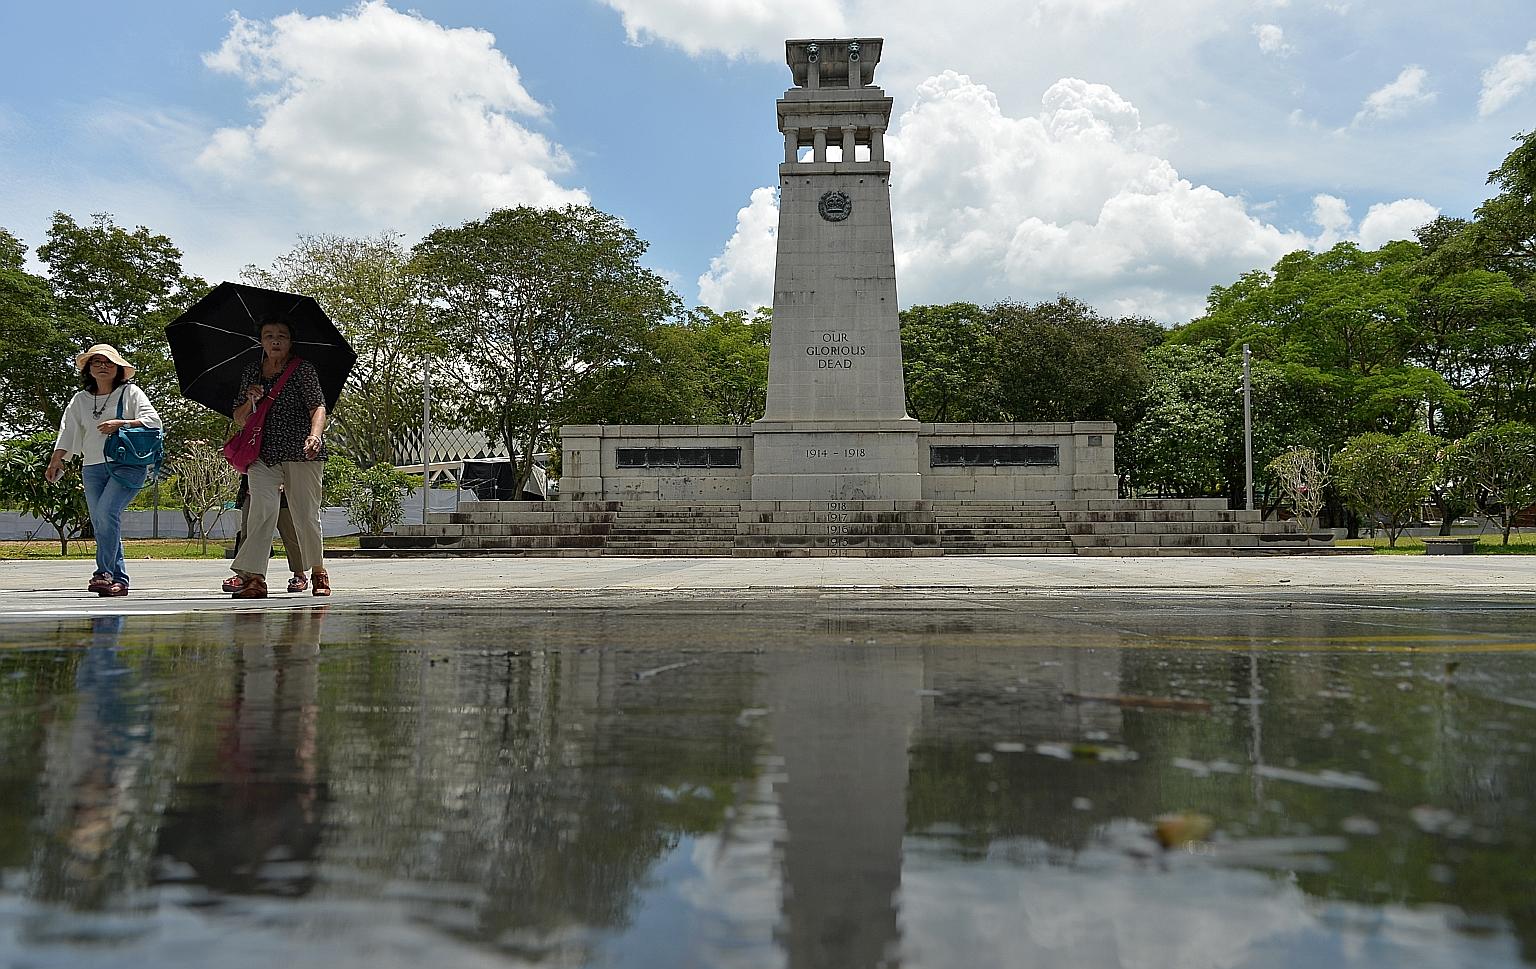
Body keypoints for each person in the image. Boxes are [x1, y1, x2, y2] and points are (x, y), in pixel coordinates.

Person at [45, 345, 163, 598]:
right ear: (88, 368)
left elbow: (154, 421)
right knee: (101, 520)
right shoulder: (80, 399)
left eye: (108, 362)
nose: (102, 366)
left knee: (106, 513)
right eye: (96, 362)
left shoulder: (130, 392)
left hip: (128, 465)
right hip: (93, 467)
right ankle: (118, 579)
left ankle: (103, 573)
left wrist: (122, 423)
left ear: (118, 368)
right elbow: (68, 431)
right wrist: (57, 460)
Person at [228, 319, 331, 599]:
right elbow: (239, 419)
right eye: (269, 336)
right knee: (262, 511)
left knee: (305, 514)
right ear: (260, 340)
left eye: (281, 336)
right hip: (263, 454)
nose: (275, 341)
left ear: (290, 341)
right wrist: (250, 401)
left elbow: (318, 406)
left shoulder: (302, 370)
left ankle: (318, 570)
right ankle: (255, 577)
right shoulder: (252, 372)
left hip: (302, 451)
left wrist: (315, 435)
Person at [223, 478, 308, 593]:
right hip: (253, 484)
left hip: (283, 486)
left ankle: (300, 573)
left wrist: (286, 482)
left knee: (290, 533)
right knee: (248, 532)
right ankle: (244, 575)